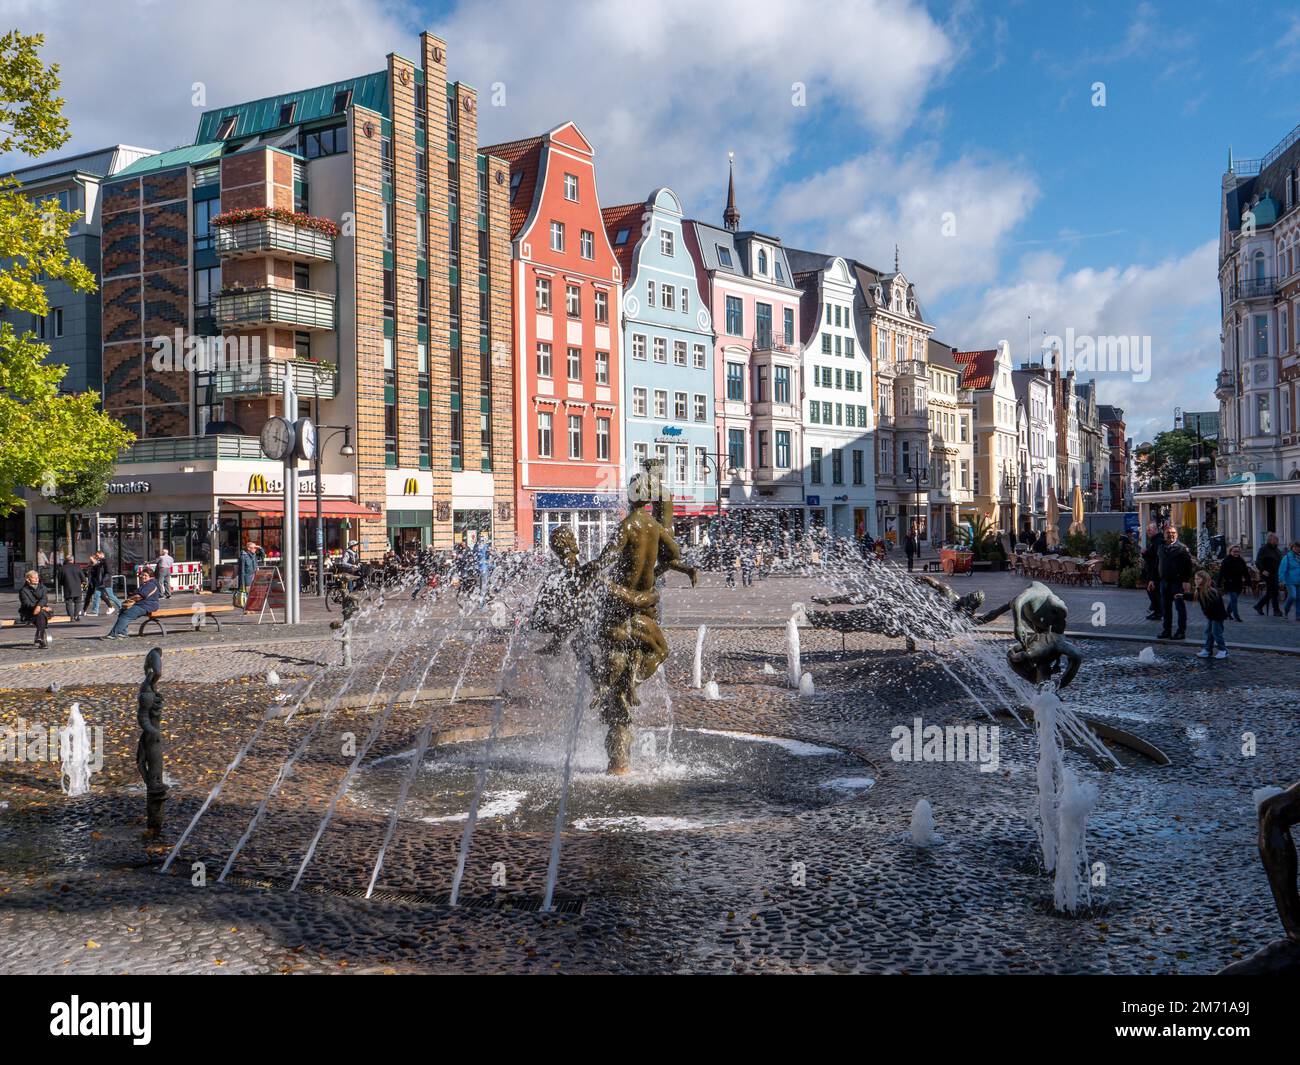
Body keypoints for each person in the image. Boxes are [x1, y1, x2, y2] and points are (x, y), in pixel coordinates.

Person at [1154, 524, 1193, 640]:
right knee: (1166, 608)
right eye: (1168, 533)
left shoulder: (1182, 548)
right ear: (1164, 535)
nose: (1171, 535)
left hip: (1177, 582)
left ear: (1177, 535)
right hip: (1164, 582)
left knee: (1180, 608)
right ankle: (1167, 631)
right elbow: (1157, 564)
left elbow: (1188, 566)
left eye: (1173, 533)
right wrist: (1153, 579)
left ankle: (1181, 632)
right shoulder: (1160, 547)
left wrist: (1186, 581)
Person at [104, 565, 161, 640]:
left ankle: (113, 634)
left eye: (145, 575)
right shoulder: (147, 583)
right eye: (142, 575)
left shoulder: (150, 584)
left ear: (151, 577)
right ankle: (122, 633)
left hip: (147, 606)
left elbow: (140, 596)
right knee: (123, 611)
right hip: (144, 605)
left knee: (126, 614)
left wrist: (130, 599)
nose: (143, 577)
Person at [1193, 569, 1228, 660]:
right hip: (1211, 616)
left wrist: (1210, 613)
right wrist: (1182, 595)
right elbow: (1193, 596)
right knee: (1208, 633)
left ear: (1204, 580)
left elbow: (1215, 605)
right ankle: (1207, 650)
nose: (1196, 580)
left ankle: (1223, 650)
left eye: (1198, 579)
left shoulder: (1211, 591)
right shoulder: (1200, 589)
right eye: (1195, 578)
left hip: (1217, 616)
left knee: (1216, 633)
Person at [18, 570, 54, 648]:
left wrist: (39, 606)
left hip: (41, 610)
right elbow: (26, 604)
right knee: (41, 614)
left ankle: (39, 635)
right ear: (28, 579)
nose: (37, 579)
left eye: (37, 577)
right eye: (34, 578)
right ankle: (40, 636)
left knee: (40, 614)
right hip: (29, 612)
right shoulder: (23, 590)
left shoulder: (42, 587)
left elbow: (44, 599)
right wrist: (41, 607)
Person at [84, 551, 123, 616]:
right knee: (96, 595)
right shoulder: (101, 562)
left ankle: (122, 607)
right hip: (101, 582)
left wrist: (103, 580)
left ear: (101, 554)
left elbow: (108, 572)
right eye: (96, 555)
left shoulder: (106, 561)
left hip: (105, 582)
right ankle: (95, 611)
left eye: (97, 555)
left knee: (111, 596)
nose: (96, 556)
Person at [1253, 532, 1283, 616]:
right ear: (1270, 540)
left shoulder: (1277, 550)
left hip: (1276, 573)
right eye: (1275, 539)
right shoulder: (1264, 549)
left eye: (1277, 540)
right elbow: (1258, 561)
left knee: (1273, 592)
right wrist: (1263, 570)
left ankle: (1259, 606)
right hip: (1267, 574)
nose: (1277, 541)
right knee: (1273, 592)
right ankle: (1275, 610)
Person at [1218, 544, 1248, 622]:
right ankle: (1236, 616)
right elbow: (1221, 572)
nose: (1236, 553)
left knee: (1233, 600)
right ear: (1230, 551)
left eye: (1237, 551)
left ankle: (1227, 613)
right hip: (1230, 582)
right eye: (1234, 551)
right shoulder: (1226, 560)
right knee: (1234, 599)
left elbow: (1245, 571)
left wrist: (1248, 581)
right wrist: (1219, 583)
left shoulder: (1241, 560)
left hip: (1239, 582)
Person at [1141, 522, 1162, 621]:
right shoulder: (1154, 541)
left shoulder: (1157, 541)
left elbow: (1155, 559)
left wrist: (1146, 554)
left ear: (1156, 530)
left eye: (1150, 529)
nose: (1148, 531)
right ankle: (1157, 611)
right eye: (1147, 529)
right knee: (1152, 591)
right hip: (1152, 570)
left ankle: (1158, 612)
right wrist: (1146, 554)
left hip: (1154, 572)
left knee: (1153, 591)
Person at [1279, 541, 1300, 621]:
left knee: (1299, 598)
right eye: (1295, 547)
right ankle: (1286, 610)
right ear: (1292, 548)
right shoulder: (1287, 557)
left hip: (1299, 581)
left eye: (1298, 547)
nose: (1297, 549)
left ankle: (1298, 615)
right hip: (1290, 581)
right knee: (1292, 596)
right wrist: (1281, 580)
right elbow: (1282, 569)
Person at [59, 555, 83, 621]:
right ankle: (76, 616)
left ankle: (71, 617)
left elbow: (60, 580)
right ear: (73, 560)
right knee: (78, 602)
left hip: (67, 587)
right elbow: (83, 578)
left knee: (68, 602)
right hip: (77, 587)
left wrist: (63, 584)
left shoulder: (62, 568)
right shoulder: (77, 567)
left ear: (66, 560)